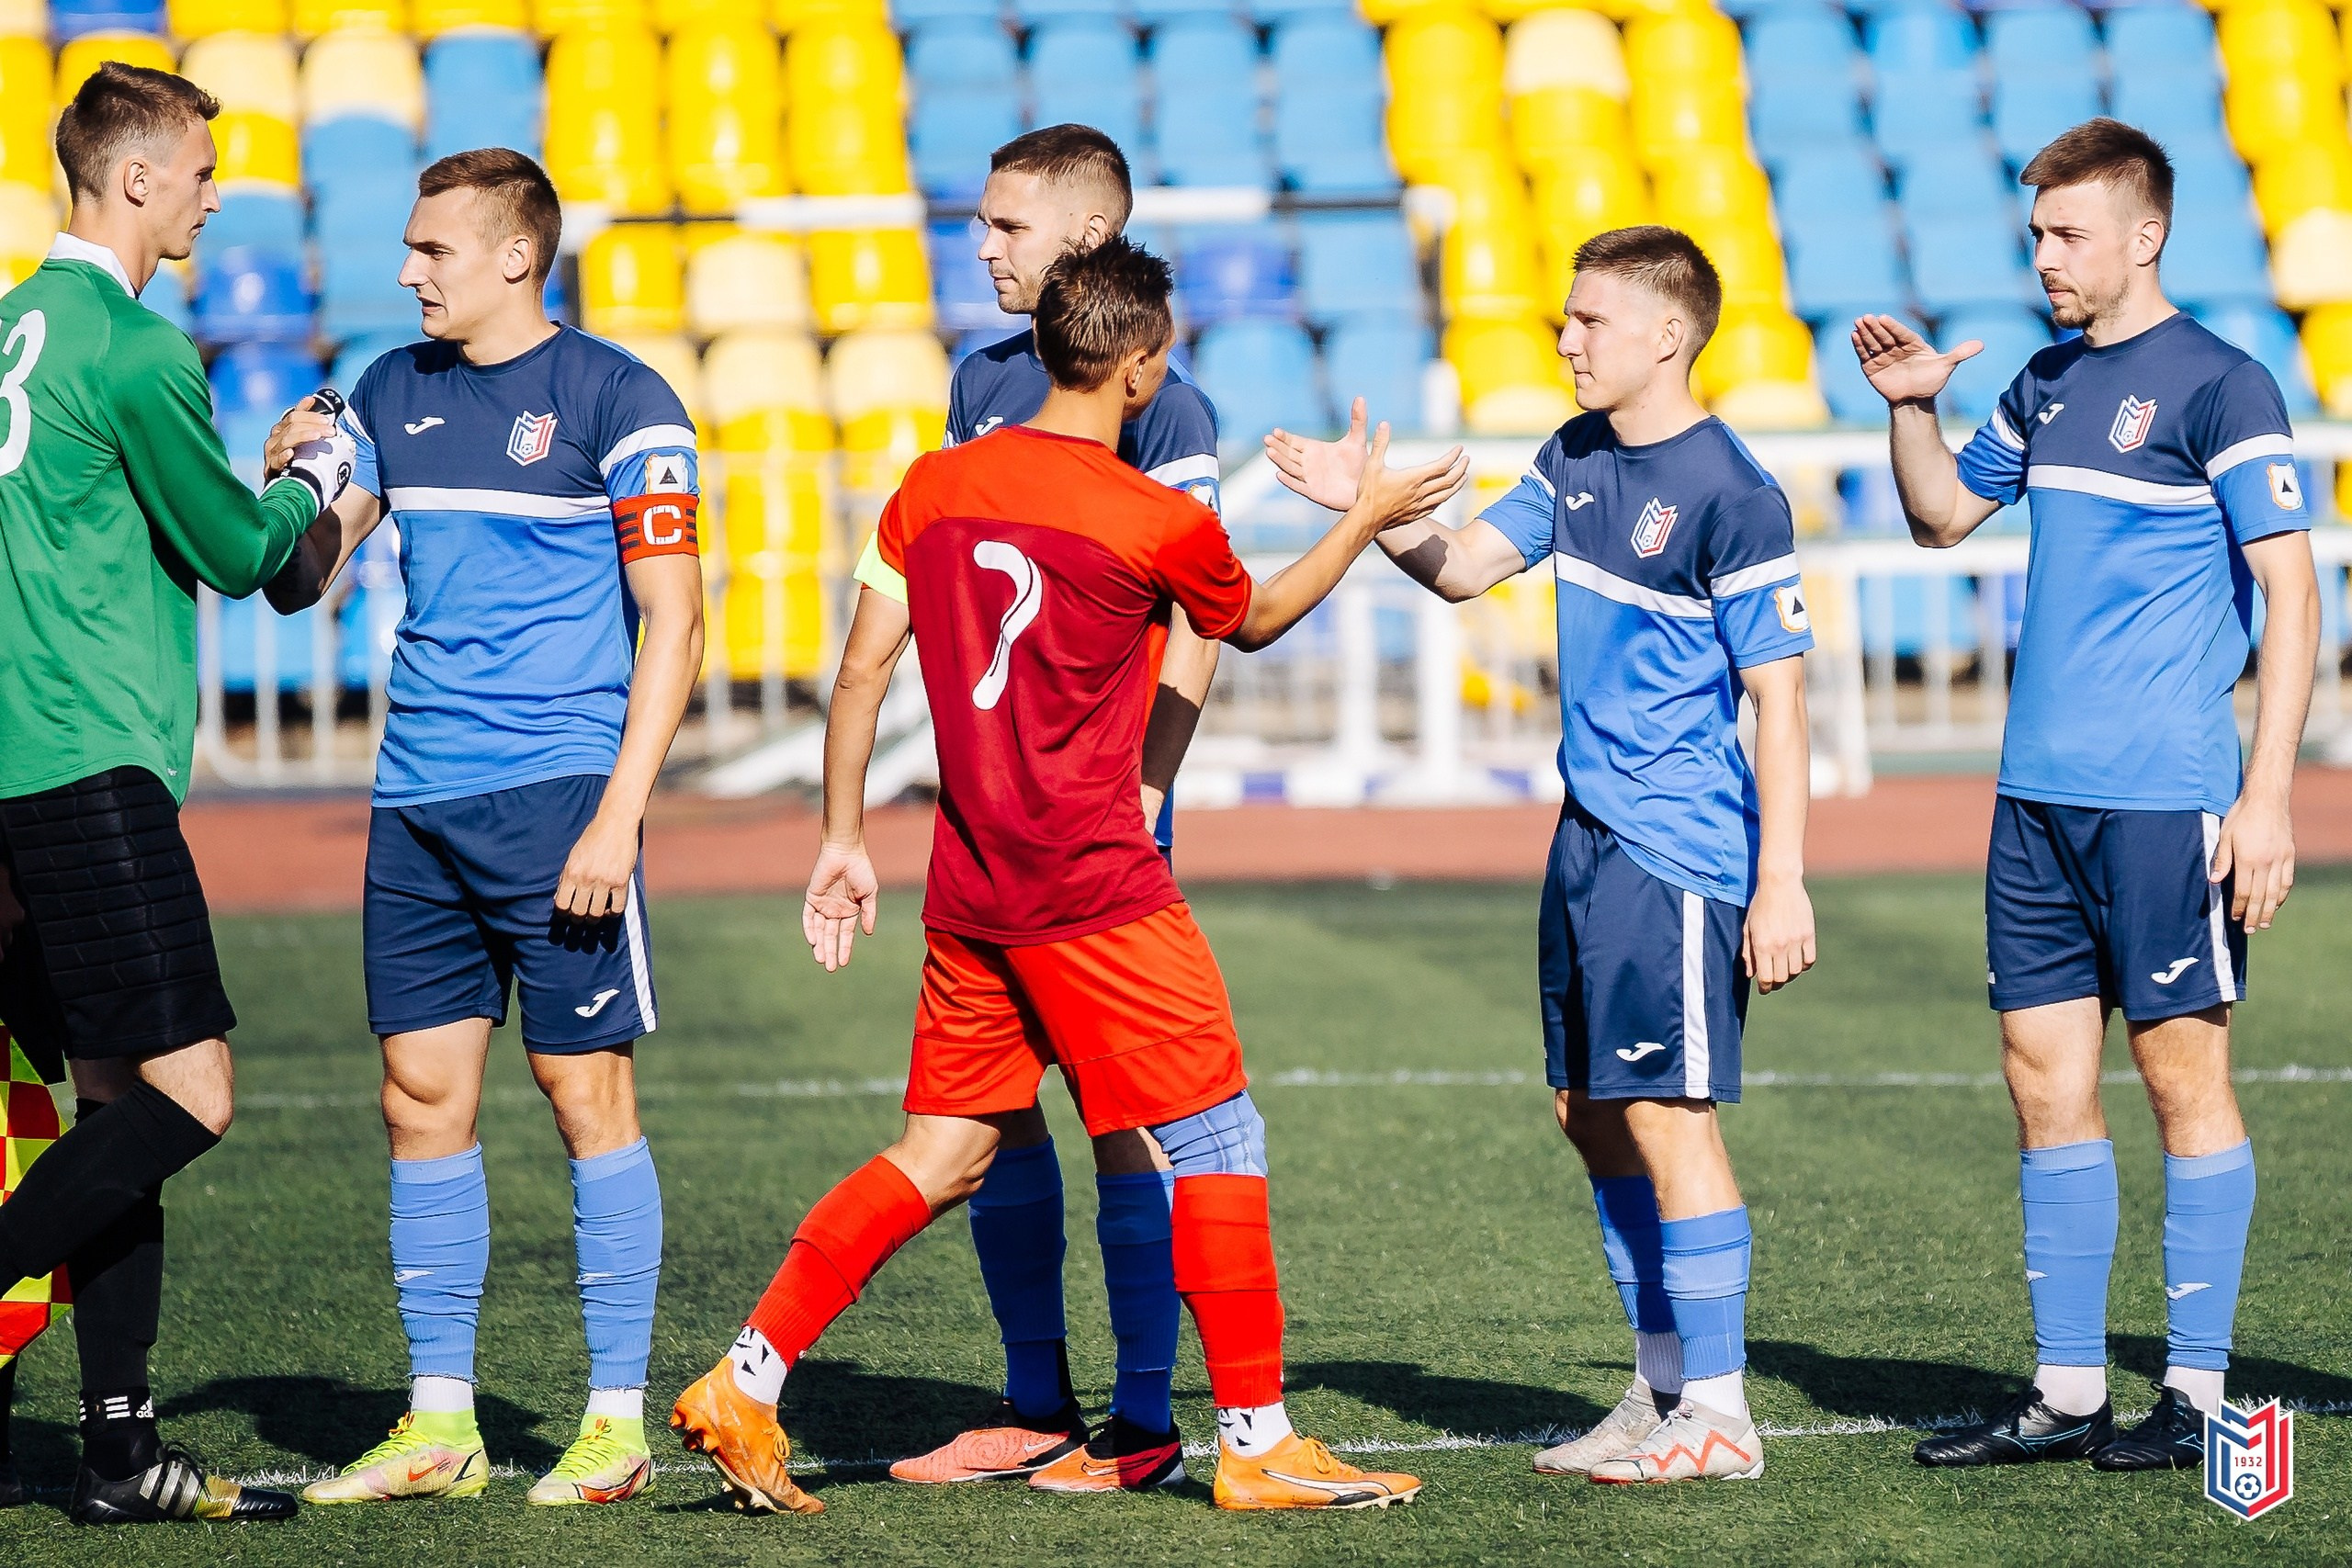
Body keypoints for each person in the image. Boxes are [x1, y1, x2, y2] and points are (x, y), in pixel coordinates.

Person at [671, 236, 1468, 1516]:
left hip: (969, 887)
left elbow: (861, 670)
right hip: (1095, 883)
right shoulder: (1155, 516)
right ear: (1142, 367)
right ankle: (1256, 1440)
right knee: (1216, 1131)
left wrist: (841, 839)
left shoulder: (931, 486)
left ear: (1044, 346)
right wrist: (1367, 516)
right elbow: (1254, 621)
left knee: (943, 1154)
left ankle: (746, 1377)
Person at [1265, 224, 1818, 1483]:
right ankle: (1663, 1386)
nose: (1567, 340)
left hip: (1676, 848)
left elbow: (1780, 700)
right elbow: (1463, 569)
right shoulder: (1574, 455)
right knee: (1588, 1113)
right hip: (1585, 839)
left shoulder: (1734, 492)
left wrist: (1780, 877)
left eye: (1590, 320)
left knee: (1669, 1116)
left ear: (1669, 334)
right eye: (1565, 319)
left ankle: (1721, 1416)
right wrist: (1370, 512)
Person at [1853, 119, 2317, 1473]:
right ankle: (2067, 1392)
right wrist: (1911, 408)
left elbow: (2295, 595)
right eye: (2037, 234)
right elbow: (1942, 517)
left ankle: (2198, 1392)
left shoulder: (2224, 385)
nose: (2044, 257)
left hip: (2167, 801)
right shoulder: (2046, 381)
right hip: (2036, 802)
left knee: (2183, 1079)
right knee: (2041, 1080)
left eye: (2068, 234)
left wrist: (2267, 797)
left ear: (2145, 235)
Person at [262, 149, 703, 1507]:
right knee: (419, 1098)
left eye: (432, 250)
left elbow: (677, 620)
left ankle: (616, 1422)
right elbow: (301, 579)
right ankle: (440, 1423)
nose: (408, 272)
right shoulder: (390, 388)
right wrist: (277, 489)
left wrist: (620, 818)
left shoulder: (621, 397)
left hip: (563, 801)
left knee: (585, 1094)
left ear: (517, 255)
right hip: (416, 803)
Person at [849, 125, 1229, 1492]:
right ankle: (1034, 1403)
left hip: (1099, 822)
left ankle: (1142, 1417)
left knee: (1125, 1113)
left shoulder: (1165, 408)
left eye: (1007, 224)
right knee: (997, 1109)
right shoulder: (979, 380)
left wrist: (1148, 785)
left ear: (1088, 238)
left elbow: (1200, 618)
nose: (983, 245)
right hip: (989, 827)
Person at [0, 62, 354, 1524]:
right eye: (201, 173)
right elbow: (241, 555)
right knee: (192, 1095)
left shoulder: (16, 322)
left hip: (22, 759)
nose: (215, 197)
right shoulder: (136, 346)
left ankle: (118, 1453)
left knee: (109, 1104)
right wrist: (316, 483)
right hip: (89, 761)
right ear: (137, 177)